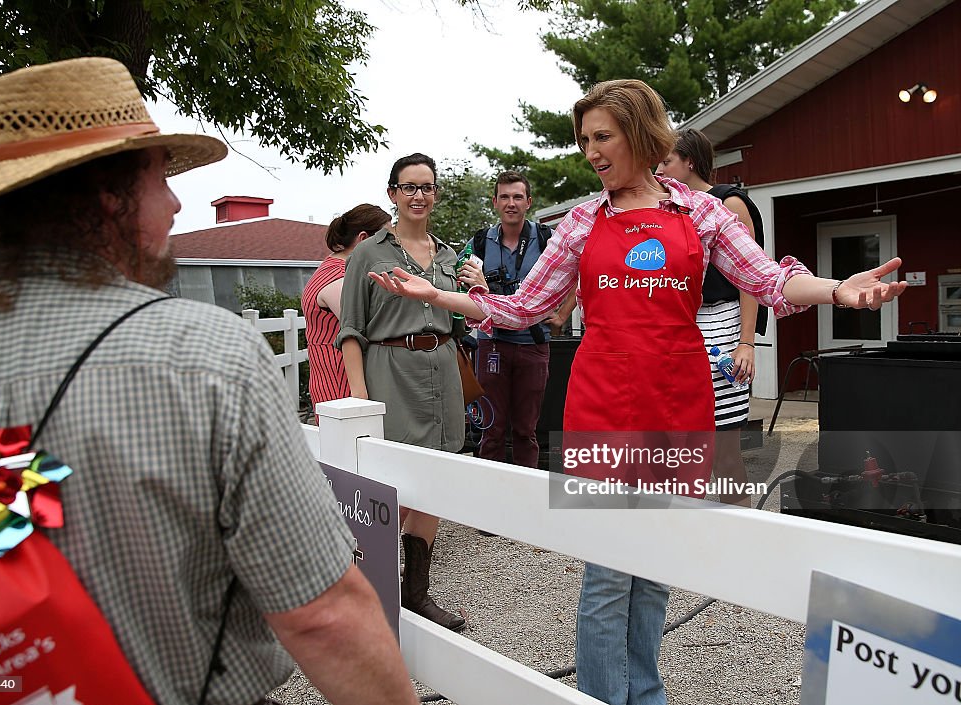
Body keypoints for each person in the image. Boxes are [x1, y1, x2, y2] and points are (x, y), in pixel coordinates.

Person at [375, 79, 906, 705]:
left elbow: (767, 280)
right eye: (583, 141)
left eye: (603, 137)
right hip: (602, 404)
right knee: (606, 572)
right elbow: (523, 308)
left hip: (680, 402)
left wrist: (839, 290)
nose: (591, 152)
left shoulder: (701, 214)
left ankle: (645, 694)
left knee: (657, 564)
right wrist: (441, 297)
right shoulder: (579, 223)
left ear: (640, 134)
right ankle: (602, 697)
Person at [0, 58, 418, 705]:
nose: (176, 201)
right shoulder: (205, 353)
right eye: (160, 176)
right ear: (107, 195)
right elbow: (322, 612)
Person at [336, 153, 468, 632]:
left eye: (427, 187)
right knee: (388, 486)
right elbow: (350, 329)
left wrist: (480, 289)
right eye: (409, 187)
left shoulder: (451, 255)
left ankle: (416, 594)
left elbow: (470, 315)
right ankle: (368, 591)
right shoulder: (370, 253)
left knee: (434, 482)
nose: (419, 196)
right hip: (390, 371)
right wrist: (361, 400)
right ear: (392, 194)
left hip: (443, 370)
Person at [657, 128, 767, 506]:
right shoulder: (668, 206)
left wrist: (747, 343)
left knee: (724, 450)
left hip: (721, 326)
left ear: (690, 161)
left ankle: (741, 536)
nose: (660, 168)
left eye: (667, 160)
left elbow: (751, 277)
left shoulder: (728, 202)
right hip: (678, 328)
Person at [465, 171, 552, 471]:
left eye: (517, 197)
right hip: (493, 344)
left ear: (528, 202)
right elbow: (462, 286)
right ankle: (490, 498)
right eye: (504, 196)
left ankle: (526, 496)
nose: (511, 203)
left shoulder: (546, 238)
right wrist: (479, 288)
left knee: (527, 430)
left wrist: (563, 313)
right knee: (492, 428)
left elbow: (575, 273)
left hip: (534, 343)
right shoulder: (478, 242)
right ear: (495, 202)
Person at [303, 204, 391, 420]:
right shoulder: (339, 279)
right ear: (364, 239)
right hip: (341, 385)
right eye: (386, 239)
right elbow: (368, 326)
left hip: (336, 381)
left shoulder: (333, 269)